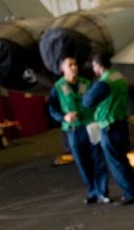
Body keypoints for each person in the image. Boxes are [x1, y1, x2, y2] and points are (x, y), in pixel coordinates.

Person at [83, 53, 134, 205]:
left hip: (109, 126)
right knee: (122, 160)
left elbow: (87, 101)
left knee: (116, 162)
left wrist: (90, 88)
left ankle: (131, 193)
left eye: (93, 66)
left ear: (98, 65)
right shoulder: (118, 77)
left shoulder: (103, 83)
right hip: (121, 123)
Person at [47, 56, 109, 205]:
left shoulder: (86, 83)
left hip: (90, 127)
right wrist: (64, 117)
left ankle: (102, 192)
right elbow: (52, 109)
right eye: (70, 65)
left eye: (75, 64)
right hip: (74, 130)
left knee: (98, 160)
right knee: (83, 161)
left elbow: (97, 102)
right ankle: (93, 191)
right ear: (63, 69)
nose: (74, 67)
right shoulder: (57, 88)